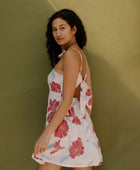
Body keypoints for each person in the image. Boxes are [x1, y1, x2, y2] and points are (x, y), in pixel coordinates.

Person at [32, 9, 103, 170]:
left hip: (62, 126)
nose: (58, 33)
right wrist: (82, 125)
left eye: (62, 27)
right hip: (77, 123)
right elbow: (88, 96)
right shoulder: (79, 55)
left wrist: (46, 134)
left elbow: (67, 99)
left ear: (74, 29)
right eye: (54, 29)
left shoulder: (71, 55)